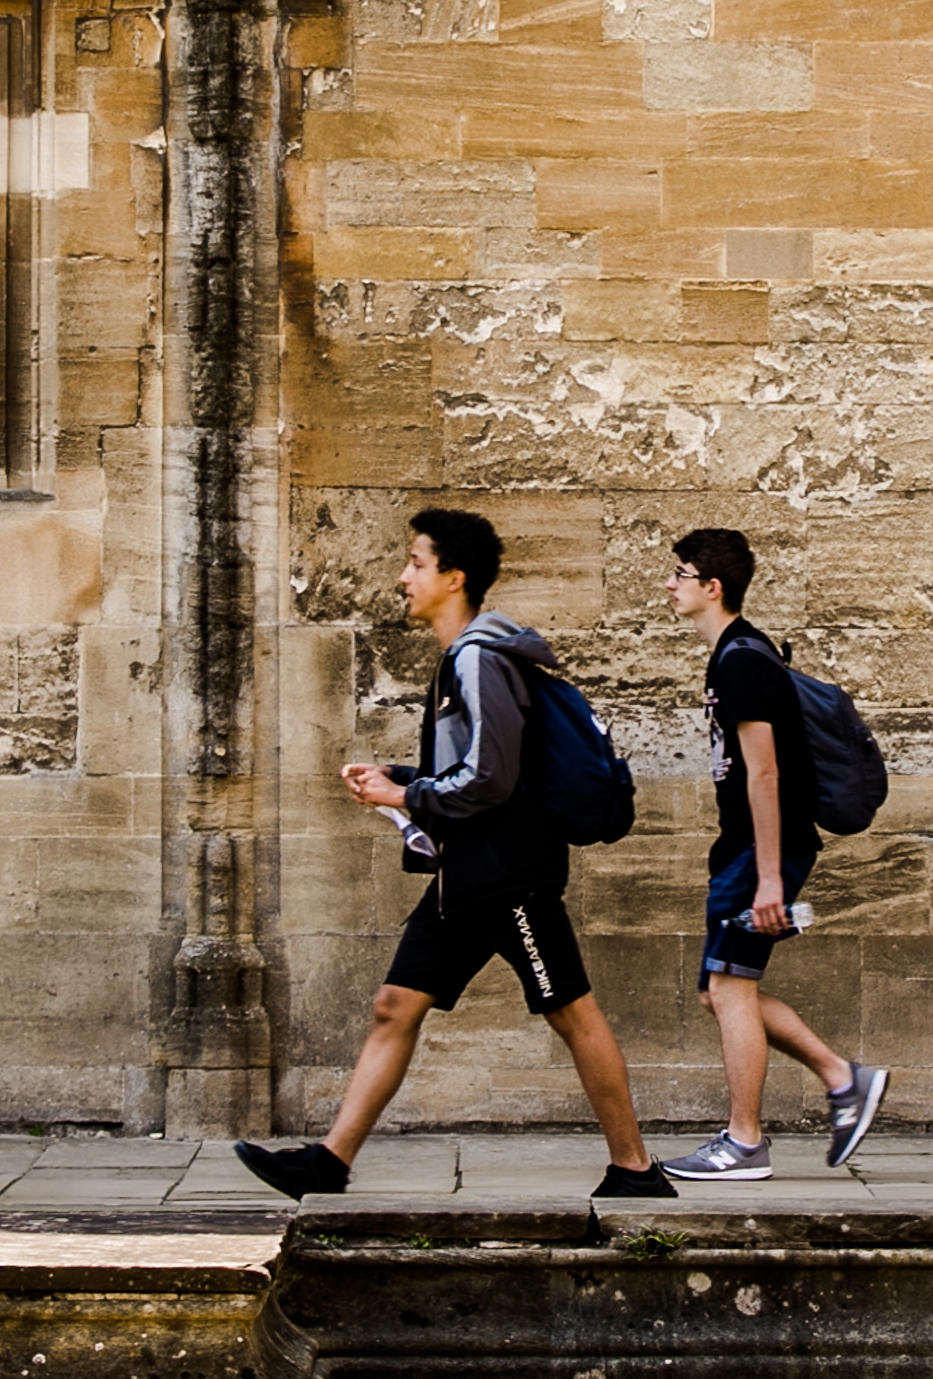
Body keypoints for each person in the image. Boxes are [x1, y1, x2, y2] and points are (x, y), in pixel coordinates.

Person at [234, 508, 675, 1201]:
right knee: (393, 1005)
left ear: (453, 576)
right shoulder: (464, 658)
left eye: (415, 561)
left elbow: (491, 780)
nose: (403, 576)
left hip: (509, 874)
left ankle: (636, 1169)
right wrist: (400, 782)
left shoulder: (478, 657)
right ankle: (329, 1163)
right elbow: (474, 771)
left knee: (572, 1011)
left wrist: (406, 797)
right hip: (467, 875)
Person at [656, 528, 885, 1181]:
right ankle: (844, 1077)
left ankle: (744, 1141)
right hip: (751, 850)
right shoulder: (736, 653)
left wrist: (765, 881)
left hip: (762, 851)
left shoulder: (742, 662)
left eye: (681, 572)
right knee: (722, 991)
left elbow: (765, 776)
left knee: (730, 987)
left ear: (712, 586)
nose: (670, 584)